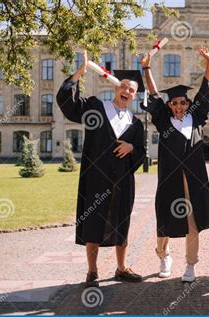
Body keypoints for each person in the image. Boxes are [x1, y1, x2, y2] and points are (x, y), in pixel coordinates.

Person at [56, 50, 146, 288]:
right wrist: (78, 74)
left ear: (135, 96)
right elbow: (69, 105)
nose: (127, 91)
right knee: (94, 221)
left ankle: (121, 268)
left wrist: (131, 148)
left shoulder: (135, 123)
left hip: (123, 180)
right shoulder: (96, 107)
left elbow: (142, 151)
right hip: (96, 178)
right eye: (124, 87)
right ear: (116, 87)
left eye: (132, 90)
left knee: (121, 222)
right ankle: (92, 271)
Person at [140, 47, 209, 282]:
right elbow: (153, 94)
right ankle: (163, 255)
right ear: (170, 104)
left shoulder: (196, 118)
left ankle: (190, 265)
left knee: (192, 222)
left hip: (194, 180)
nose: (179, 106)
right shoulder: (163, 121)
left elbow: (205, 92)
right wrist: (146, 67)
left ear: (188, 103)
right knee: (165, 219)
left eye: (183, 102)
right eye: (174, 103)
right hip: (169, 179)